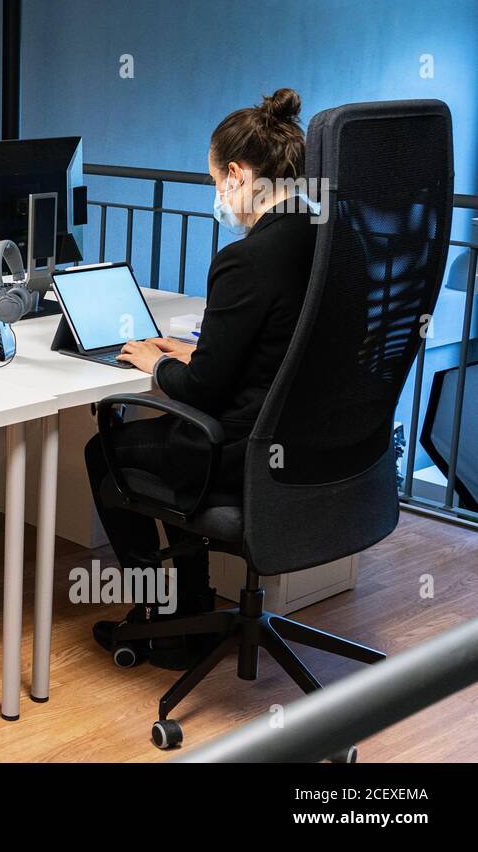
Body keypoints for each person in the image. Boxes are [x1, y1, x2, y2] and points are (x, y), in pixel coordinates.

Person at [85, 88, 317, 667]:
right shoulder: (322, 237)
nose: (217, 196)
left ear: (236, 175)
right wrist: (195, 352)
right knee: (160, 451)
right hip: (306, 444)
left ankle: (162, 616)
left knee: (103, 451)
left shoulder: (247, 258)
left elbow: (203, 391)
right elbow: (271, 351)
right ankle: (186, 608)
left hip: (238, 448)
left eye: (215, 181)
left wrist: (157, 362)